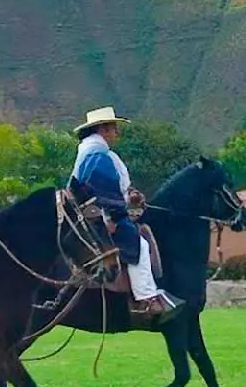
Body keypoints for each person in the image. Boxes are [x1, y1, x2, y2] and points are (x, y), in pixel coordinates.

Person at [70, 106, 180, 317]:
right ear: (103, 129)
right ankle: (146, 299)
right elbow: (103, 192)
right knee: (138, 244)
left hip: (94, 215)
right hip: (101, 218)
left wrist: (130, 197)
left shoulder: (91, 152)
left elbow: (112, 189)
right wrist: (111, 217)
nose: (116, 134)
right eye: (113, 129)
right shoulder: (98, 155)